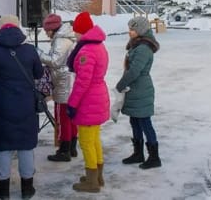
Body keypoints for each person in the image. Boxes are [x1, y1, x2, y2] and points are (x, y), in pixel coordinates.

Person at [0, 14, 43, 200]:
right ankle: (27, 188)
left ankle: (3, 190)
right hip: (26, 105)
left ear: (0, 29)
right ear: (18, 28)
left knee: (3, 147)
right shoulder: (30, 50)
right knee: (26, 146)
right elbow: (39, 73)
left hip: (2, 106)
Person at [66, 11, 110, 193]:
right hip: (98, 97)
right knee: (94, 140)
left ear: (82, 31)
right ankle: (97, 176)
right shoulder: (99, 46)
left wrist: (72, 104)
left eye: (76, 31)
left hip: (89, 100)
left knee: (86, 142)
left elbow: (82, 82)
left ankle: (91, 182)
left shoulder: (86, 51)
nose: (74, 34)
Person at [114, 16, 162, 170]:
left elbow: (134, 71)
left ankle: (154, 157)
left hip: (141, 89)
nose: (130, 32)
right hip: (135, 89)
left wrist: (121, 84)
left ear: (140, 30)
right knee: (134, 121)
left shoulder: (143, 48)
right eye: (129, 29)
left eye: (132, 29)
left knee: (145, 123)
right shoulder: (137, 44)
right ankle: (138, 153)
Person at [38, 13, 77, 162]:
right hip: (66, 81)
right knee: (69, 116)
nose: (46, 33)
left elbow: (54, 61)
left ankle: (64, 149)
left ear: (52, 29)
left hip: (63, 83)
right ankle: (72, 147)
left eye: (47, 30)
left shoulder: (61, 40)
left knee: (62, 117)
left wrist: (39, 53)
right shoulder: (65, 37)